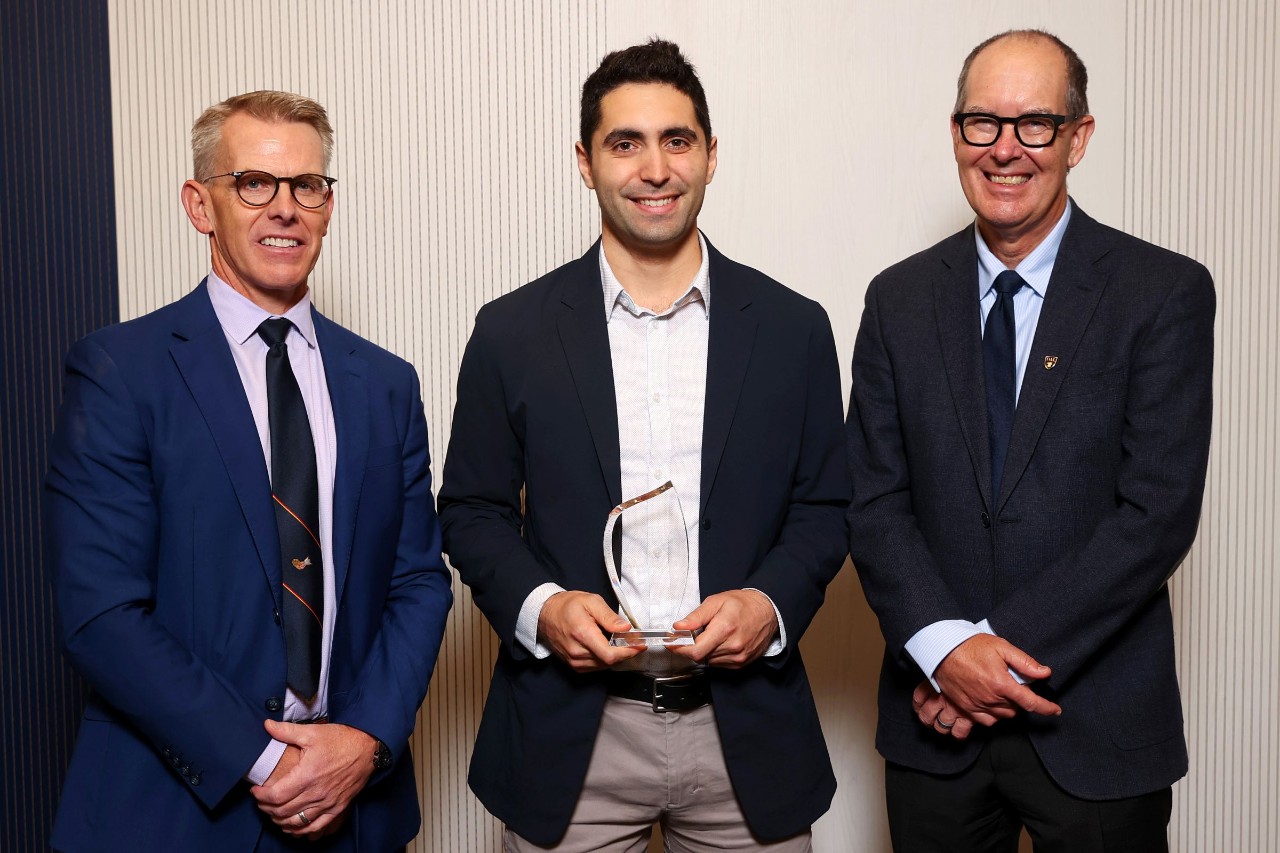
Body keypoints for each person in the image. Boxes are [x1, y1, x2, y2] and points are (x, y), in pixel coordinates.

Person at [439, 39, 849, 852]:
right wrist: (542, 607)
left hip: (747, 736)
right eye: (624, 143)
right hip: (570, 739)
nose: (654, 168)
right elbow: (472, 511)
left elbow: (827, 507)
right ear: (586, 162)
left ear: (710, 155)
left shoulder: (794, 330)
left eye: (677, 140)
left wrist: (767, 603)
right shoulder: (510, 332)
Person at [46, 90, 453, 851]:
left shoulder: (386, 383)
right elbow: (100, 612)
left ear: (328, 206)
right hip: (172, 815)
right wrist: (265, 759)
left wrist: (363, 739)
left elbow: (419, 580)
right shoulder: (120, 372)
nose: (285, 208)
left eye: (308, 185)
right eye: (255, 184)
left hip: (355, 809)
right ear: (201, 205)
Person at [845, 29, 1215, 851]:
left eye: (1036, 123)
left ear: (1078, 137)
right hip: (933, 735)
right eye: (983, 122)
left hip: (1098, 727)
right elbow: (872, 504)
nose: (1006, 148)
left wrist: (984, 664)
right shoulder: (897, 300)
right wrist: (945, 651)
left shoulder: (1162, 293)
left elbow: (1155, 513)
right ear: (955, 133)